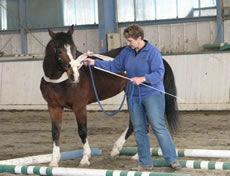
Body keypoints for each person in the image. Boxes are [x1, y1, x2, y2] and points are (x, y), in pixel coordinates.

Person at [83, 24, 181, 171]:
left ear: (139, 38)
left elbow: (159, 73)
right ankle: (145, 163)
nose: (128, 44)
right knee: (140, 129)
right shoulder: (128, 52)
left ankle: (172, 159)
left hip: (152, 95)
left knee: (158, 126)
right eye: (127, 41)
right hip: (134, 96)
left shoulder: (152, 52)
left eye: (130, 41)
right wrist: (95, 63)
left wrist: (143, 78)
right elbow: (115, 66)